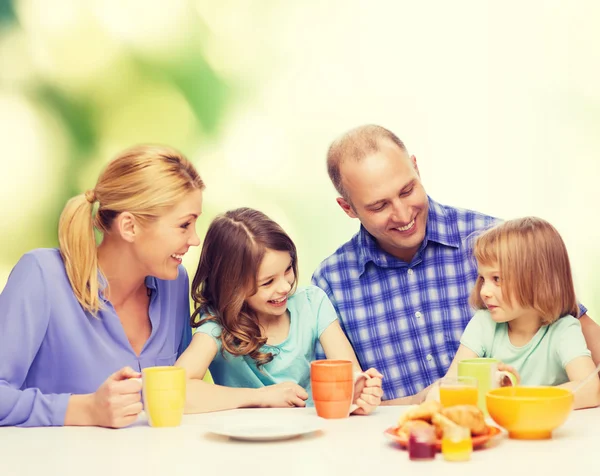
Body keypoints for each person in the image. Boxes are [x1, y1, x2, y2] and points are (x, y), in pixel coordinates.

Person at [312, 124, 600, 404]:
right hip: (396, 445)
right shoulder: (330, 284)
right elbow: (335, 405)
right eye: (379, 206)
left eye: (407, 190)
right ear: (347, 207)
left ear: (416, 168)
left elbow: (574, 330)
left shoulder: (494, 244)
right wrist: (418, 401)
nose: (402, 215)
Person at [0, 145, 205, 427]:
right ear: (129, 227)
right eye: (184, 225)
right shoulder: (42, 276)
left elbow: (184, 393)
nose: (195, 239)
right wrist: (84, 409)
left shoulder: (174, 283)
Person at [176, 207, 383, 414]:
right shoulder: (218, 324)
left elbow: (350, 376)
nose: (285, 287)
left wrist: (359, 395)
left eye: (288, 269)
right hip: (245, 441)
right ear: (232, 286)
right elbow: (176, 391)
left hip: (309, 436)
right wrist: (260, 397)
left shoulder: (312, 303)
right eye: (268, 282)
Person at [434, 217, 600, 410]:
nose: (484, 291)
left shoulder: (564, 330)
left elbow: (591, 390)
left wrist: (517, 396)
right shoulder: (483, 324)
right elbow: (450, 384)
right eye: (482, 278)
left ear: (538, 281)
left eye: (496, 278)